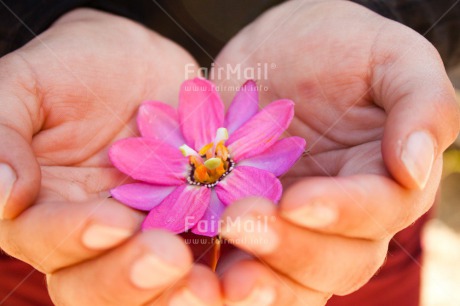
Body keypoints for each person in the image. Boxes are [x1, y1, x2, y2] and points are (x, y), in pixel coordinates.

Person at [0, 0, 459, 305]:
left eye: (214, 161)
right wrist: (38, 20)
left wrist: (392, 12)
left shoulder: (282, 161)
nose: (211, 162)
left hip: (348, 179)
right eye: (207, 161)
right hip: (57, 183)